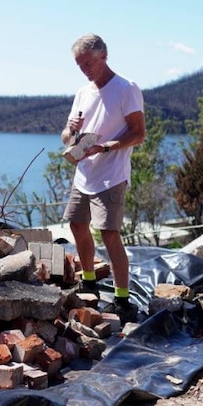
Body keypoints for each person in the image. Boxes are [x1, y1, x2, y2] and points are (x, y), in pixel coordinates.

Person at [60, 33, 146, 322]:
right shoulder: (83, 92)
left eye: (88, 63)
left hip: (111, 175)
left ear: (104, 56)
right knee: (76, 224)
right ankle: (89, 282)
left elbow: (139, 133)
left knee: (109, 234)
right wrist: (71, 131)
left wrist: (107, 146)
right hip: (84, 172)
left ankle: (122, 300)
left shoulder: (126, 89)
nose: (85, 70)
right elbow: (65, 138)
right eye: (80, 65)